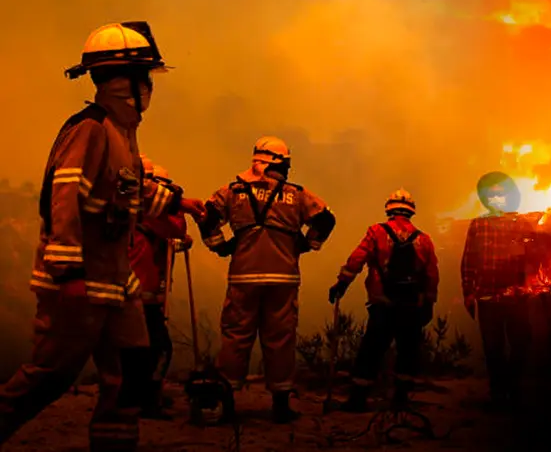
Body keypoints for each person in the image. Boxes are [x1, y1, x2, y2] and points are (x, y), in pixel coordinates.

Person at [0, 22, 206, 450]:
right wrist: (68, 273)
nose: (149, 87)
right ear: (122, 81)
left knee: (131, 374)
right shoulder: (89, 129)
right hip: (81, 284)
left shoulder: (122, 134)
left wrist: (177, 203)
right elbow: (63, 198)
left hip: (117, 283)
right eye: (145, 77)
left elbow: (126, 193)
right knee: (49, 376)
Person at [197, 136, 336, 423]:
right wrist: (306, 244)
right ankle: (281, 405)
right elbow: (326, 220)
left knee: (236, 337)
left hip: (243, 277)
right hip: (283, 279)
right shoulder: (297, 194)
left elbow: (205, 216)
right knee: (280, 339)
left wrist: (221, 246)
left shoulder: (232, 192)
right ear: (279, 163)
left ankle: (225, 403)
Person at [329, 189, 439, 412]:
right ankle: (401, 399)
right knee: (407, 351)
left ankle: (358, 400)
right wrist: (429, 303)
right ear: (411, 211)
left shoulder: (377, 232)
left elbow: (357, 258)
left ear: (389, 209)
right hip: (412, 305)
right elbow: (432, 275)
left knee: (371, 351)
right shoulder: (424, 239)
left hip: (383, 303)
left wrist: (342, 283)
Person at [460, 171, 537, 411]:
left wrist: (529, 285)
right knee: (493, 348)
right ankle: (498, 393)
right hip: (487, 296)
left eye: (500, 194)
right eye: (491, 195)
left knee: (521, 343)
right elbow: (469, 260)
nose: (496, 198)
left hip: (516, 296)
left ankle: (513, 388)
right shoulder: (478, 225)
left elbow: (533, 259)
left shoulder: (522, 224)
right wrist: (468, 292)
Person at [129, 156, 192, 419]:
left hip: (134, 292)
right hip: (142, 295)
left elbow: (161, 238)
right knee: (158, 349)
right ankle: (147, 400)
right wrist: (176, 203)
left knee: (134, 349)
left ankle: (133, 397)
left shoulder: (131, 211)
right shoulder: (150, 211)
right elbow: (175, 228)